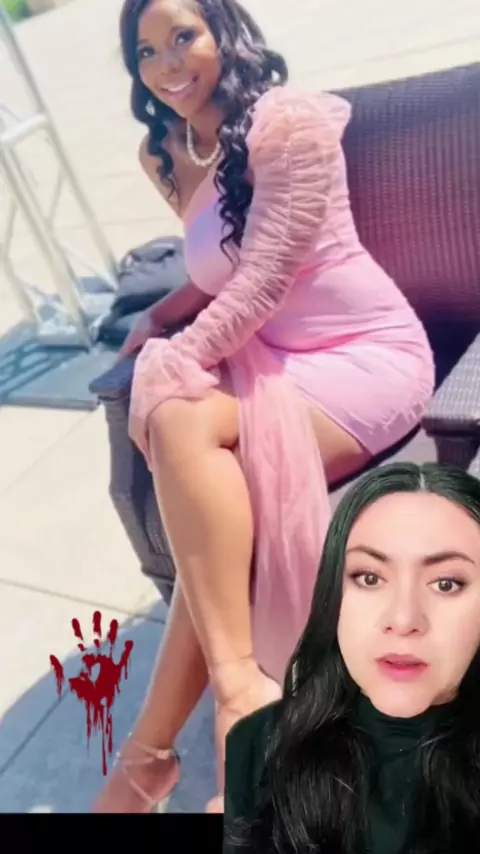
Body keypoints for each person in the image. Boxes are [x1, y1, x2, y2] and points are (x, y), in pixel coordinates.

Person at [93, 0, 435, 814]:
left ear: (226, 31)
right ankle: (223, 703)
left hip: (365, 357)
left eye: (184, 36)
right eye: (146, 51)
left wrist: (178, 355)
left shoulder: (290, 123)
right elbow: (216, 264)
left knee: (177, 408)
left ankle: (174, 742)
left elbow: (267, 273)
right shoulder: (166, 151)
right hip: (274, 359)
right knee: (188, 438)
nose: (168, 64)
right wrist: (160, 316)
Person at [223, 461, 480, 853]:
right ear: (334, 596)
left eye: (446, 584)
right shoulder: (258, 744)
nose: (403, 620)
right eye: (369, 578)